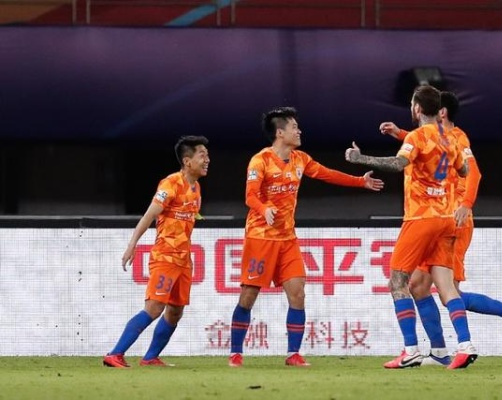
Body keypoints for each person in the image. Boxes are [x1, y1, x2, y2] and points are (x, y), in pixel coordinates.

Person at [379, 91, 502, 365]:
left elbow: (473, 173)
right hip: (440, 217)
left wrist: (466, 204)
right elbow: (425, 147)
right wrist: (401, 134)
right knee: (418, 286)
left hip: (455, 219)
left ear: (441, 112)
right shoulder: (437, 138)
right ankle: (440, 351)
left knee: (448, 291)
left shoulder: (458, 138)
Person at [228, 107, 384, 368]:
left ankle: (293, 354)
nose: (299, 131)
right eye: (294, 127)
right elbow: (250, 196)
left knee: (298, 293)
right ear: (280, 133)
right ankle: (235, 353)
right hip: (260, 238)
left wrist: (360, 182)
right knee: (248, 295)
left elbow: (327, 174)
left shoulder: (300, 159)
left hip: (287, 239)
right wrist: (264, 209)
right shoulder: (260, 160)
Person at [345, 85, 477, 370]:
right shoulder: (449, 138)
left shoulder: (417, 136)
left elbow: (398, 163)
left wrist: (361, 159)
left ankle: (411, 350)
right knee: (445, 287)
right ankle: (465, 345)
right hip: (447, 218)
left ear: (417, 108)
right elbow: (464, 170)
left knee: (397, 282)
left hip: (420, 218)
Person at [103, 135, 210, 368]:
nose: (207, 160)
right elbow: (150, 215)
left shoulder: (196, 188)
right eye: (202, 155)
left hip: (184, 259)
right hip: (165, 256)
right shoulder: (170, 184)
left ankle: (150, 357)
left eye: (207, 155)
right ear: (187, 161)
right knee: (154, 307)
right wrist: (132, 244)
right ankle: (115, 354)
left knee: (175, 311)